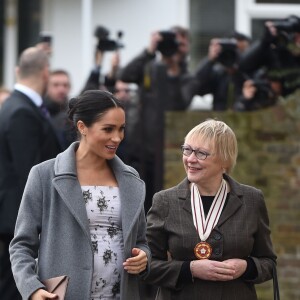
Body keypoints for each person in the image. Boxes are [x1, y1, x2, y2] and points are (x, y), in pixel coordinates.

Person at [9, 90, 151, 300]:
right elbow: (21, 246)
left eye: (121, 129)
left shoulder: (131, 178)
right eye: (108, 129)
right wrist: (32, 289)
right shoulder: (43, 175)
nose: (117, 137)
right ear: (82, 127)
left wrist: (143, 257)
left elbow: (141, 240)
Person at [144, 119, 277, 300]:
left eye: (201, 153)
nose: (190, 159)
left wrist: (246, 267)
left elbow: (269, 262)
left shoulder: (252, 199)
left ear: (224, 160)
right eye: (187, 150)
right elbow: (147, 266)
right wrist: (189, 269)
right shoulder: (165, 201)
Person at [0, 47, 62, 300]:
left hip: (15, 213)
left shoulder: (16, 105)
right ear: (46, 73)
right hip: (21, 216)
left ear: (18, 71)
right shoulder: (22, 112)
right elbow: (30, 172)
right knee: (15, 284)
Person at [119, 25, 193, 214]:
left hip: (170, 151)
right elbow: (125, 75)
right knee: (141, 205)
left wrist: (174, 74)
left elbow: (181, 104)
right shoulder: (149, 68)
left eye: (179, 44)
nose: (173, 48)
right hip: (143, 150)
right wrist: (149, 51)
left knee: (167, 205)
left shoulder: (186, 75)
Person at [182, 36, 248, 111]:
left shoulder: (248, 73)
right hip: (220, 119)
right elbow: (197, 87)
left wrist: (238, 70)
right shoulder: (218, 74)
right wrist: (210, 60)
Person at [44, 69, 76, 149]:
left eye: (65, 85)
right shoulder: (39, 112)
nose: (61, 90)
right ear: (47, 87)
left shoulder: (74, 114)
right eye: (56, 85)